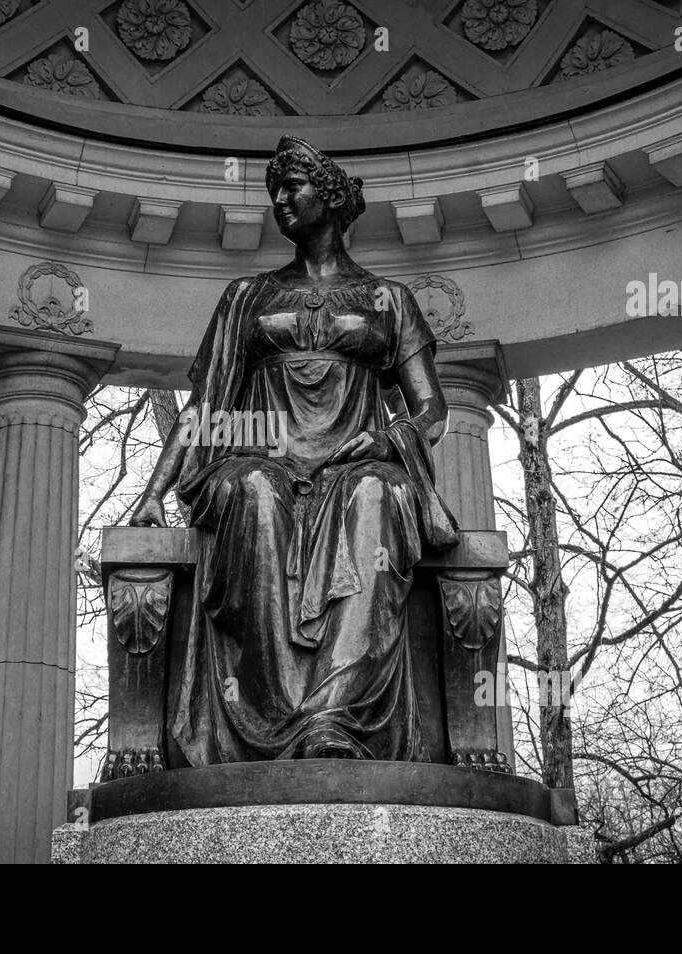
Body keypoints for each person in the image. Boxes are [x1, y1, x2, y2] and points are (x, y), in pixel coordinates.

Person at [129, 135, 458, 764]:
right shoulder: (247, 296)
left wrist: (391, 438)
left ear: (330, 196)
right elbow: (206, 404)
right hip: (260, 457)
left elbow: (432, 408)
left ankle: (333, 718)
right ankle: (268, 712)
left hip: (357, 461)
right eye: (274, 188)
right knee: (253, 493)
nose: (280, 199)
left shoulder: (389, 299)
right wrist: (154, 491)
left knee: (377, 496)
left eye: (294, 185)